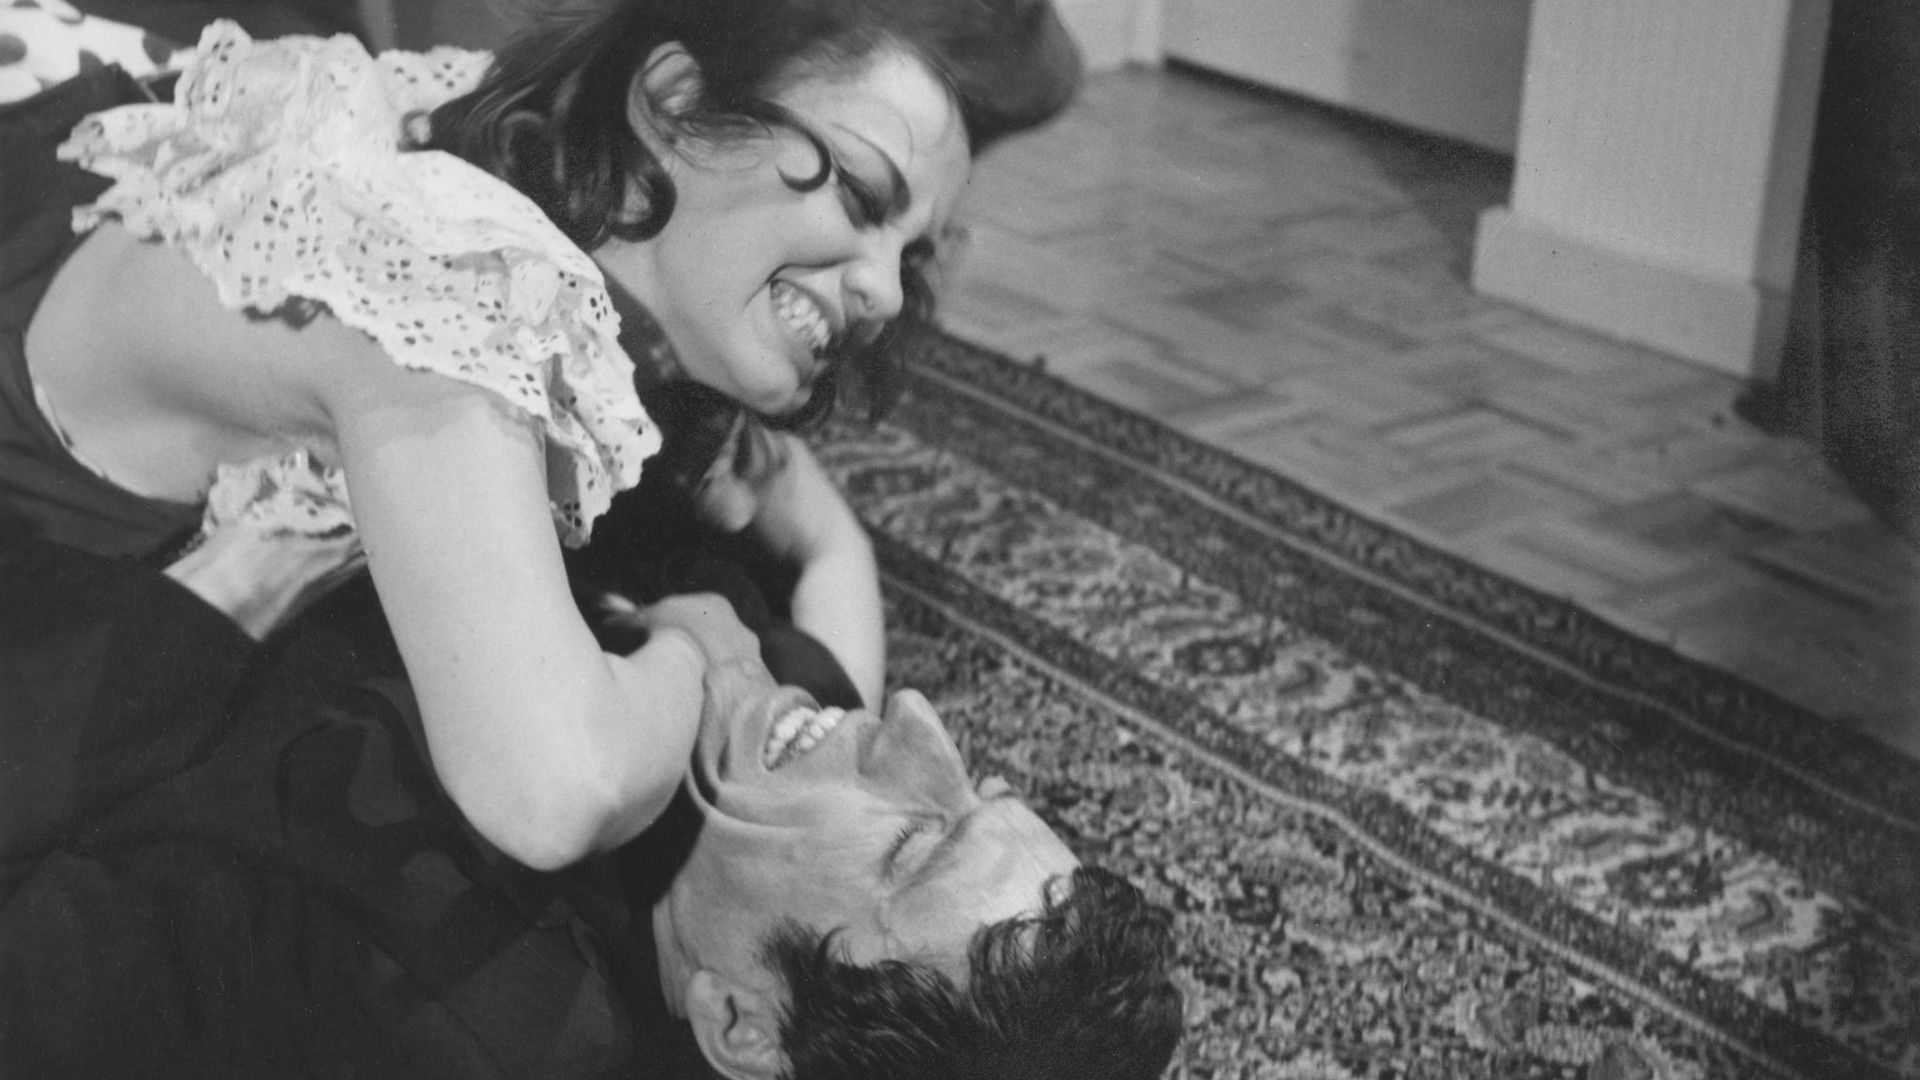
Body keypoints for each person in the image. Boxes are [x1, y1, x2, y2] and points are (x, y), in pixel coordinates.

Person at [4, 0, 1081, 874]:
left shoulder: (560, 215)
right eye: (863, 195)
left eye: (915, 251)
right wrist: (701, 652)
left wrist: (832, 542)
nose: (885, 292)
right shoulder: (446, 297)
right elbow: (558, 791)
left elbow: (793, 587)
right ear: (675, 100)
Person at [0, 518, 1186, 1078]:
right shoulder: (765, 787)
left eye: (920, 842)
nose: (918, 724)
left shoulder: (423, 995)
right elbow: (829, 627)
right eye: (977, 785)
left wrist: (231, 585)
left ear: (741, 1023)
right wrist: (824, 534)